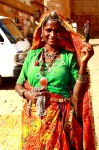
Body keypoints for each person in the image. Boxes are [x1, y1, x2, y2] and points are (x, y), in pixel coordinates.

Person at [15, 10, 95, 150]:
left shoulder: (68, 57)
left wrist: (83, 64)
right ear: (41, 31)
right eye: (48, 30)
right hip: (33, 116)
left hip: (60, 117)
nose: (52, 34)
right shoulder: (32, 55)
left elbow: (76, 95)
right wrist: (27, 94)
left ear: (64, 33)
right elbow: (18, 84)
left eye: (57, 31)